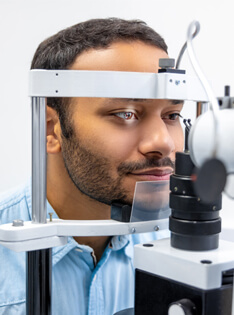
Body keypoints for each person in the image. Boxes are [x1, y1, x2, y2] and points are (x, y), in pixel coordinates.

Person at [0, 18, 184, 314]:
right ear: (50, 129)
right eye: (126, 114)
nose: (163, 143)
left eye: (172, 116)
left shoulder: (177, 247)